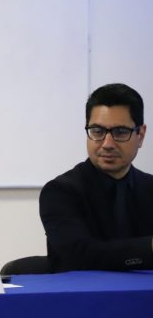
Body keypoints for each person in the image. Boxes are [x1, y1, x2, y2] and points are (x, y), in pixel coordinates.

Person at [40, 83, 153, 272]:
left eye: (120, 132)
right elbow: (81, 256)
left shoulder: (150, 188)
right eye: (98, 132)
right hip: (81, 290)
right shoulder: (59, 192)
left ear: (140, 135)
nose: (107, 144)